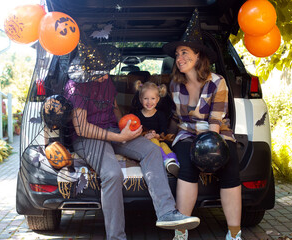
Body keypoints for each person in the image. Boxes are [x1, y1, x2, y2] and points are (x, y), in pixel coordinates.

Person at [63, 40, 200, 240]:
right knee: (112, 174)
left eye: (105, 71)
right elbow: (81, 127)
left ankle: (167, 212)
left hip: (112, 129)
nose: (103, 77)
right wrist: (118, 137)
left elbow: (114, 107)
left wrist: (126, 128)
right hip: (87, 137)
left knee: (152, 150)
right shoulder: (76, 87)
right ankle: (116, 237)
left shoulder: (106, 80)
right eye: (98, 73)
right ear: (86, 71)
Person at [162, 9, 242, 240]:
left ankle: (234, 233)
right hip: (187, 134)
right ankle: (181, 231)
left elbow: (216, 122)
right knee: (187, 166)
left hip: (216, 133)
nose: (179, 58)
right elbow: (178, 120)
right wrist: (164, 137)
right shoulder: (175, 85)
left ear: (198, 55)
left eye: (184, 53)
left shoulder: (218, 82)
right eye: (177, 54)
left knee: (230, 167)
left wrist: (211, 153)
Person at [132, 80, 180, 177]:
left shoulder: (160, 115)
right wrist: (145, 136)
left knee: (164, 146)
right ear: (141, 99)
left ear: (157, 99)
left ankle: (174, 163)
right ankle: (166, 161)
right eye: (146, 98)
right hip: (144, 144)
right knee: (154, 142)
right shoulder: (136, 116)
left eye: (153, 98)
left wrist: (157, 135)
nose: (149, 102)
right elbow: (134, 133)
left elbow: (163, 132)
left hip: (158, 140)